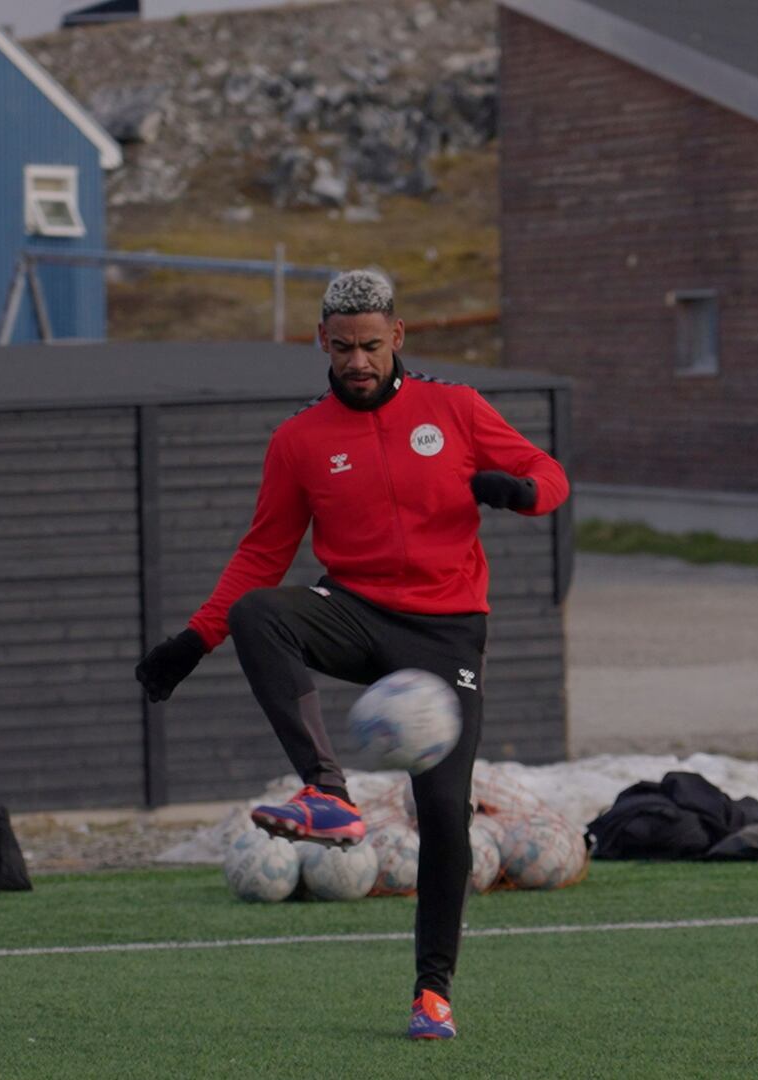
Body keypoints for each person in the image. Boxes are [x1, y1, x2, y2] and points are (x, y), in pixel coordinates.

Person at [134, 269, 568, 1040]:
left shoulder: (456, 409)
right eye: (343, 348)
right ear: (322, 344)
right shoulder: (299, 440)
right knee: (259, 611)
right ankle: (326, 792)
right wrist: (193, 643)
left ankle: (432, 993)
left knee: (443, 815)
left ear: (398, 337)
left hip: (446, 635)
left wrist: (519, 492)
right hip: (357, 614)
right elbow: (262, 554)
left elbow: (550, 475)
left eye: (371, 345)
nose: (358, 361)